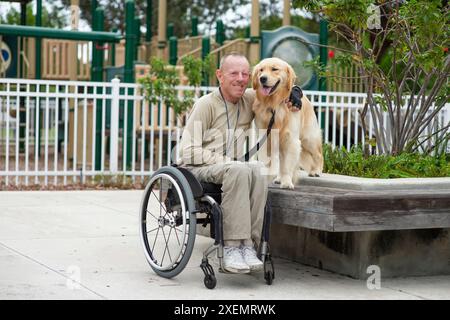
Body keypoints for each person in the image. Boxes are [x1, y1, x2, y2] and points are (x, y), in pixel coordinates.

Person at [178, 53, 296, 274]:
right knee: (239, 168)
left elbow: (280, 89)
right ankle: (232, 247)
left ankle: (250, 246)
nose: (241, 79)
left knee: (259, 170)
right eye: (234, 73)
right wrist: (225, 161)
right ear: (220, 76)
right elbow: (187, 151)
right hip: (199, 168)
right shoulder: (206, 105)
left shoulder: (250, 99)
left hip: (233, 169)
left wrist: (295, 97)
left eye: (245, 74)